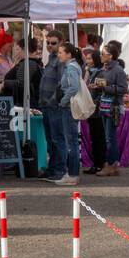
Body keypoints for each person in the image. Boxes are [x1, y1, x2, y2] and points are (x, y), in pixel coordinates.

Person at [50, 42, 84, 186]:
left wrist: (63, 101)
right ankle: (72, 173)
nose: (59, 55)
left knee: (71, 142)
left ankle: (73, 174)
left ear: (69, 54)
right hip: (69, 107)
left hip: (69, 108)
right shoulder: (73, 66)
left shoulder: (71, 67)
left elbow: (73, 87)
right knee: (71, 141)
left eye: (61, 52)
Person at [95, 41, 128, 177]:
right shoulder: (105, 69)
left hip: (113, 107)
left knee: (110, 137)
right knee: (108, 137)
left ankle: (112, 164)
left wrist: (104, 87)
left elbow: (122, 89)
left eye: (104, 54)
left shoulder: (118, 70)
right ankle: (112, 164)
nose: (101, 56)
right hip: (104, 105)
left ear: (111, 56)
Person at [38, 30, 65, 181]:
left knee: (57, 139)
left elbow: (61, 83)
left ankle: (60, 169)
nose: (49, 45)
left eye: (53, 43)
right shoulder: (51, 58)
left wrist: (53, 100)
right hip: (46, 105)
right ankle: (53, 168)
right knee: (50, 139)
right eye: (48, 42)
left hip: (54, 106)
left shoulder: (60, 60)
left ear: (61, 42)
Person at [80, 46, 107, 175]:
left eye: (90, 58)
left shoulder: (100, 72)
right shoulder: (90, 71)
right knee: (94, 137)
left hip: (97, 109)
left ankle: (99, 163)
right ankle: (97, 163)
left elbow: (101, 89)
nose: (87, 60)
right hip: (92, 108)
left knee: (98, 137)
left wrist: (94, 87)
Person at [1, 37, 42, 109]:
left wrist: (5, 83)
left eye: (18, 49)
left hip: (21, 106)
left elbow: (21, 83)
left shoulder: (28, 64)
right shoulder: (29, 63)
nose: (16, 52)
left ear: (25, 49)